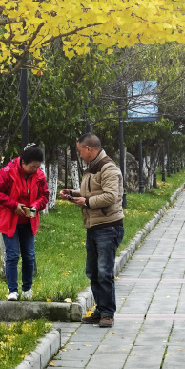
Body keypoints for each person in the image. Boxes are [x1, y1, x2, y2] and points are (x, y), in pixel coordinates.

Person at [59, 132, 124, 329]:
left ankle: (108, 313)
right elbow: (91, 193)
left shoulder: (108, 169)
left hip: (108, 226)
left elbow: (109, 197)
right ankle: (99, 309)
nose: (79, 155)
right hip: (93, 225)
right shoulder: (91, 169)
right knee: (93, 271)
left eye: (80, 151)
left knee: (104, 272)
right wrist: (72, 194)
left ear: (89, 149)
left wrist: (86, 201)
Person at [0, 144, 49, 301]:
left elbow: (45, 196)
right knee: (13, 255)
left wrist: (35, 206)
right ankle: (12, 290)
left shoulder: (39, 176)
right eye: (32, 166)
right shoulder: (7, 173)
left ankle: (27, 289)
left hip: (29, 221)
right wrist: (13, 205)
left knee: (29, 255)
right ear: (23, 162)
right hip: (9, 221)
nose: (35, 170)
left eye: (38, 167)